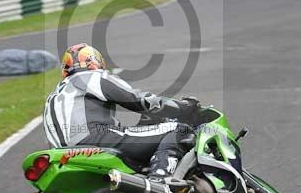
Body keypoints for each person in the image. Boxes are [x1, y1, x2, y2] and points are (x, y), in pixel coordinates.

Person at [43, 43, 199, 182]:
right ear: (95, 62)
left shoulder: (54, 95)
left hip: (62, 154)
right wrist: (182, 107)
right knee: (179, 129)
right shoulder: (92, 77)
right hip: (94, 138)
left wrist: (143, 124)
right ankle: (161, 178)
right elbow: (138, 100)